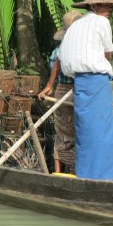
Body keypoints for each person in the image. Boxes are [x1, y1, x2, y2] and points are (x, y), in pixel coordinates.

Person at [57, 0, 113, 180]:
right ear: (94, 5)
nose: (109, 9)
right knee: (102, 128)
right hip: (96, 81)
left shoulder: (75, 26)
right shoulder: (101, 23)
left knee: (87, 129)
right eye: (105, 5)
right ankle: (108, 176)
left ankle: (89, 174)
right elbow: (108, 54)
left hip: (80, 84)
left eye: (109, 5)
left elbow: (63, 58)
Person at [39, 10, 82, 174]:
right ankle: (70, 172)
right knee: (73, 133)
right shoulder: (65, 51)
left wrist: (49, 87)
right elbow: (58, 65)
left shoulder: (59, 51)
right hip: (72, 92)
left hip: (63, 92)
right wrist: (49, 86)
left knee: (63, 133)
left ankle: (60, 171)